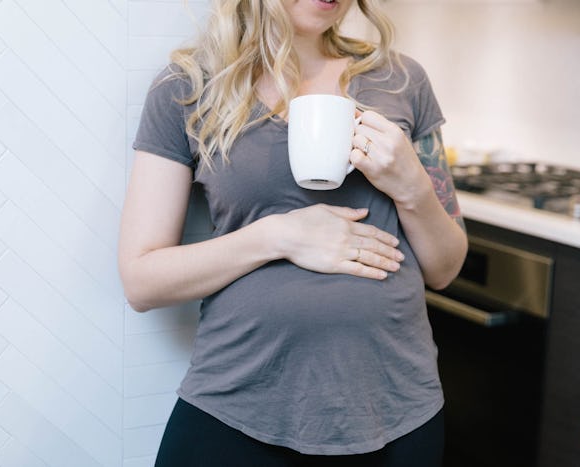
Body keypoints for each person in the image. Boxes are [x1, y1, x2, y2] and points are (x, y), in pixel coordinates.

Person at [119, 0, 468, 465]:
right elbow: (142, 280)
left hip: (397, 410)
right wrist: (279, 235)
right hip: (238, 406)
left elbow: (446, 269)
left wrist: (413, 187)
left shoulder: (401, 79)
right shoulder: (187, 87)